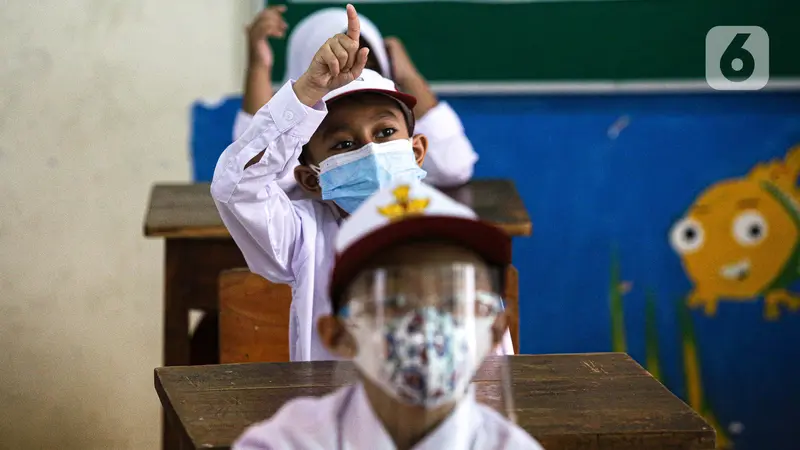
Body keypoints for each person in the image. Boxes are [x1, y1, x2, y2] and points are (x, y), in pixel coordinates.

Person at [211, 5, 512, 361]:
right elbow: (238, 184)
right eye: (344, 144)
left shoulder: (455, 235)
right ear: (310, 179)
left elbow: (493, 364)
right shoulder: (305, 236)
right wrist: (307, 90)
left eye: (386, 133)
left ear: (416, 151)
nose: (371, 151)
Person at [233, 180, 542, 450]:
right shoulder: (286, 444)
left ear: (495, 331)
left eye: (454, 302)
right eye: (393, 302)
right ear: (338, 335)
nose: (426, 324)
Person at [236, 5, 478, 191]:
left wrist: (406, 76)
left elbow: (453, 166)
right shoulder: (296, 138)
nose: (354, 75)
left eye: (368, 62)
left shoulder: (396, 123)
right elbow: (252, 174)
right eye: (337, 65)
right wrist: (259, 67)